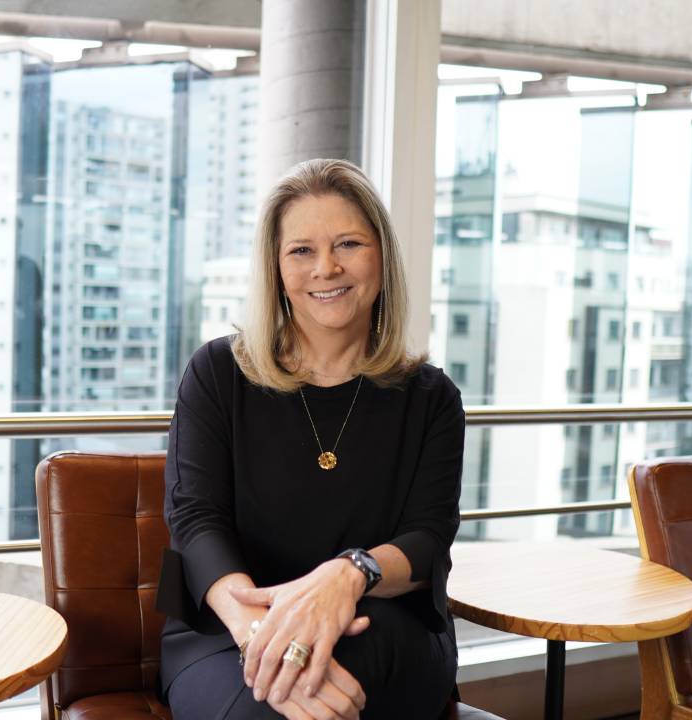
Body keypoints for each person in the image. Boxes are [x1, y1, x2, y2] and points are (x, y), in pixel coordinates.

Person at [155, 158, 464, 720]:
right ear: (275, 268)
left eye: (348, 244)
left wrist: (347, 574)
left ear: (382, 257)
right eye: (301, 250)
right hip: (229, 629)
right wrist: (263, 638)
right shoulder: (218, 372)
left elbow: (429, 536)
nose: (327, 268)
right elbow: (196, 520)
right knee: (265, 709)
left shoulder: (430, 396)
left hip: (383, 622)